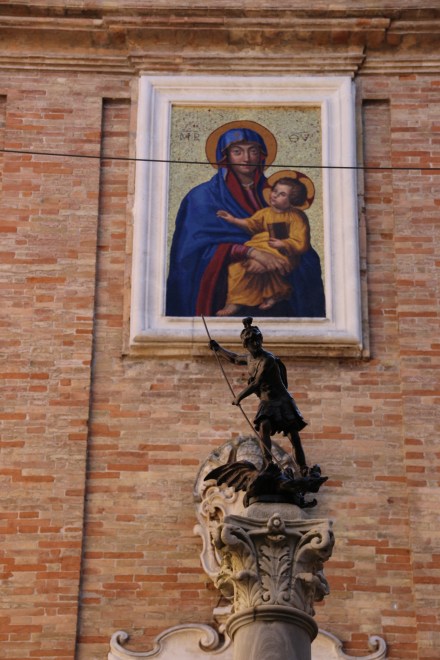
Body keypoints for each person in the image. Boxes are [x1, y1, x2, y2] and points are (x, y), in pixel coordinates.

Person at [165, 120, 325, 318]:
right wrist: (251, 253)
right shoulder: (202, 197)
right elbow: (190, 253)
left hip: (276, 293)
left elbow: (294, 240)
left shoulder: (277, 195)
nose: (247, 158)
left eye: (253, 151)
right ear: (225, 157)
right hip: (222, 290)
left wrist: (277, 258)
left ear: (262, 155)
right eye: (237, 151)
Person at [210, 317, 309, 475]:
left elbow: (257, 383)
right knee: (264, 426)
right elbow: (234, 358)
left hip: (282, 401)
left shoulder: (268, 359)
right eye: (251, 342)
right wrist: (218, 349)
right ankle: (268, 463)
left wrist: (239, 397)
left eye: (257, 340)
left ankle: (303, 468)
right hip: (267, 401)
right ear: (246, 345)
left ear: (261, 339)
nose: (255, 344)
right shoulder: (250, 358)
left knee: (293, 436)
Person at [216, 177, 311, 316]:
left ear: (293, 200)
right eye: (275, 191)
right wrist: (233, 220)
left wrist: (284, 243)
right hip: (262, 248)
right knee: (236, 267)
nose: (275, 195)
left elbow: (301, 242)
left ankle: (271, 294)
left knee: (258, 265)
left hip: (284, 253)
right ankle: (237, 301)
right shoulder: (265, 212)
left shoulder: (297, 217)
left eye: (282, 194)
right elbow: (251, 224)